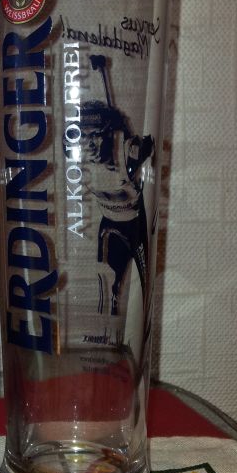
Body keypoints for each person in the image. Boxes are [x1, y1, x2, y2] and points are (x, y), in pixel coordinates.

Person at [80, 99, 154, 317]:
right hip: (109, 223)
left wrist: (141, 149)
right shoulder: (77, 155)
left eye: (96, 135)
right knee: (106, 280)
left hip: (136, 225)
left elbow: (147, 147)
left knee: (142, 285)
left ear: (110, 134)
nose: (89, 144)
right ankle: (108, 316)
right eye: (83, 136)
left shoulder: (125, 151)